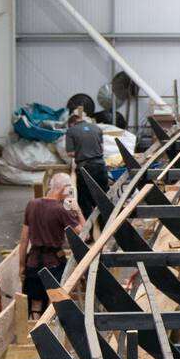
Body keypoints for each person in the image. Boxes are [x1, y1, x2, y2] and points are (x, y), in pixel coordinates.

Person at [18, 172, 85, 316]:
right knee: (53, 302)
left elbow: (23, 241)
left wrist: (21, 266)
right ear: (65, 188)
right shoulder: (61, 210)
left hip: (33, 264)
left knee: (35, 305)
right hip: (54, 264)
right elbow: (84, 234)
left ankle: (33, 331)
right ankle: (50, 329)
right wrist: (77, 210)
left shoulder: (32, 204)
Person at [65, 106, 109, 224]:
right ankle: (105, 229)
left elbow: (70, 153)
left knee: (85, 200)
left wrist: (81, 152)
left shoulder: (71, 131)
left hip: (85, 169)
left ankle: (88, 231)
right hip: (101, 167)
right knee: (102, 198)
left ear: (71, 124)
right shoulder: (97, 128)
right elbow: (102, 148)